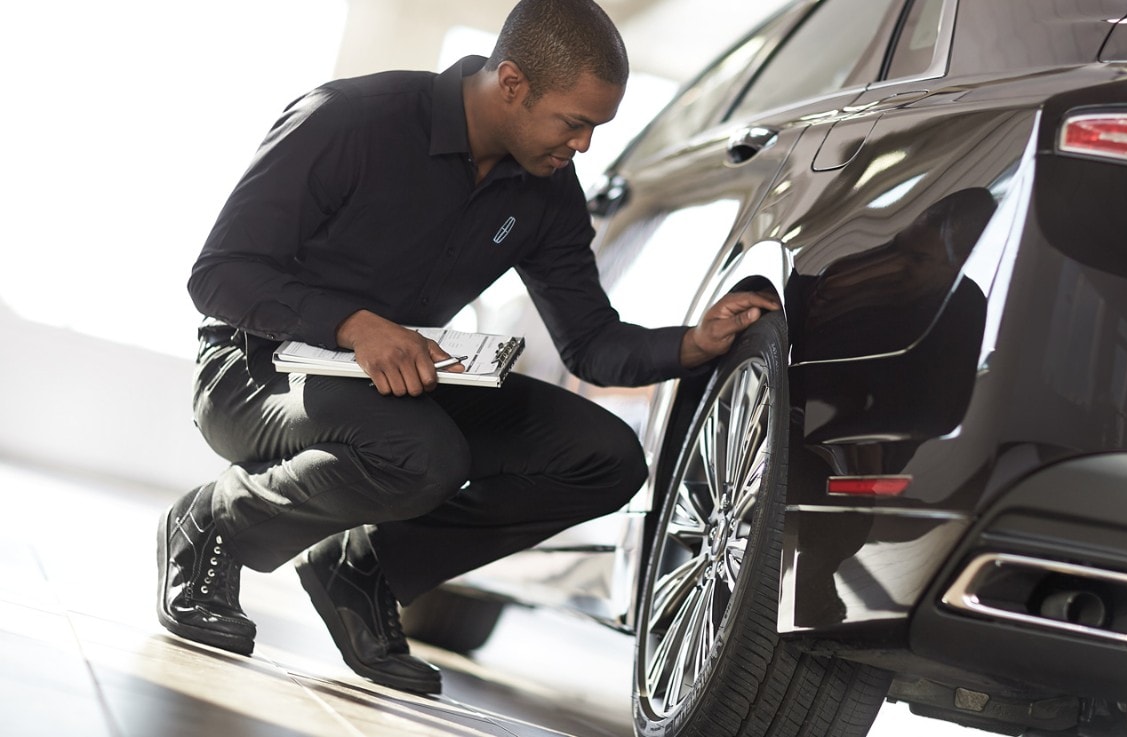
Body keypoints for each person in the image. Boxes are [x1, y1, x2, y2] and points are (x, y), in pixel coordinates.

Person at [157, 0, 779, 696]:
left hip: (398, 383)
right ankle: (214, 524)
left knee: (605, 460)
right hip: (254, 370)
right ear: (511, 83)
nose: (584, 147)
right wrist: (353, 324)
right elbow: (218, 275)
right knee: (424, 453)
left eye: (595, 128)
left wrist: (697, 342)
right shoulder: (350, 119)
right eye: (574, 123)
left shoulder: (546, 191)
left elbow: (593, 343)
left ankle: (364, 568)